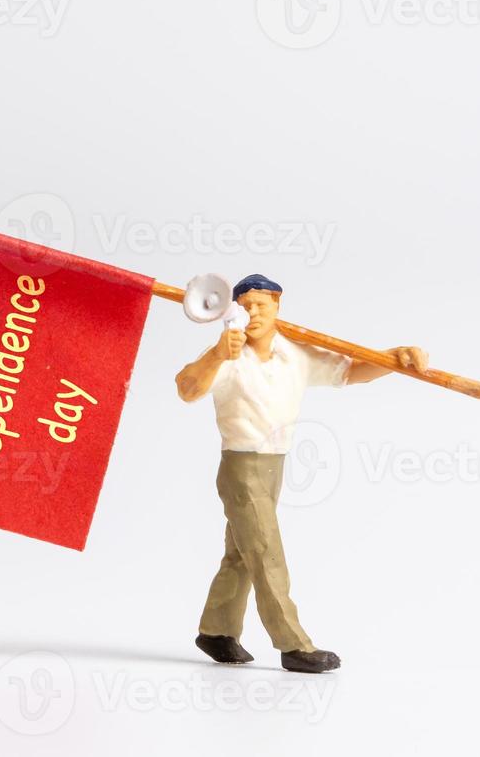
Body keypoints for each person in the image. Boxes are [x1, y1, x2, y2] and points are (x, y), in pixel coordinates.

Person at [175, 273, 428, 673]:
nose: (253, 312)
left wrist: (393, 360)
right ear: (233, 308)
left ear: (278, 307)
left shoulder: (296, 355)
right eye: (245, 305)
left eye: (262, 304)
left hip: (276, 464)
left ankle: (216, 630)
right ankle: (293, 644)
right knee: (265, 552)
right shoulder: (228, 354)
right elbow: (187, 388)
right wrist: (217, 355)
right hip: (241, 466)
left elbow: (351, 371)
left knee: (241, 553)